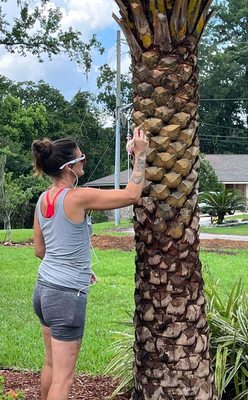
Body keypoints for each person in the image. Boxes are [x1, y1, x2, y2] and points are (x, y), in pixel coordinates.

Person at [31, 128, 148, 400]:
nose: (85, 161)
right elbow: (132, 195)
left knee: (50, 364)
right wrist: (140, 154)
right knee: (64, 378)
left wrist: (77, 267)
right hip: (65, 297)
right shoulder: (77, 197)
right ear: (69, 167)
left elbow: (40, 250)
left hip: (44, 289)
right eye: (81, 158)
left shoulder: (43, 199)